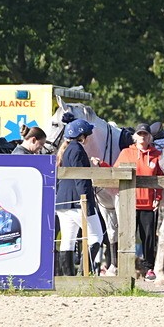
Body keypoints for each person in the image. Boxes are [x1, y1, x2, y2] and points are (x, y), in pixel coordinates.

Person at [54, 118, 105, 276]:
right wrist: (87, 203)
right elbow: (80, 178)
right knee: (96, 236)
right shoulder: (77, 149)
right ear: (82, 135)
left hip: (63, 201)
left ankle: (69, 278)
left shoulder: (67, 149)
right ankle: (84, 274)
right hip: (77, 200)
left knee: (67, 240)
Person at [114, 122, 164, 280]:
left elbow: (162, 179)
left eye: (145, 134)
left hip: (149, 204)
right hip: (129, 202)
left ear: (150, 137)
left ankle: (149, 268)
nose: (142, 137)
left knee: (148, 237)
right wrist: (100, 164)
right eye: (140, 134)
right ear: (134, 136)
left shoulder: (157, 154)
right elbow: (115, 171)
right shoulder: (126, 153)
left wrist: (158, 197)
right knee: (127, 236)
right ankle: (125, 268)